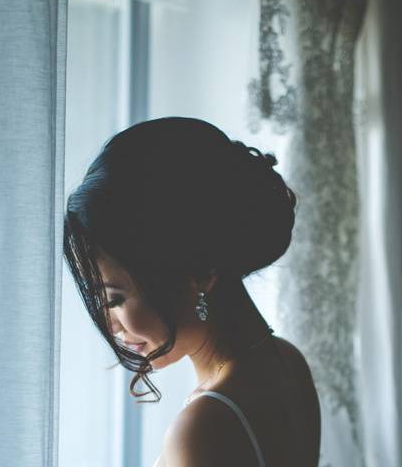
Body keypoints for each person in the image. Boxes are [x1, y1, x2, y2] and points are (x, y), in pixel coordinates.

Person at [63, 117, 321, 466]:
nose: (111, 325)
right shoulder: (287, 362)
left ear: (198, 274)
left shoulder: (203, 427)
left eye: (115, 298)